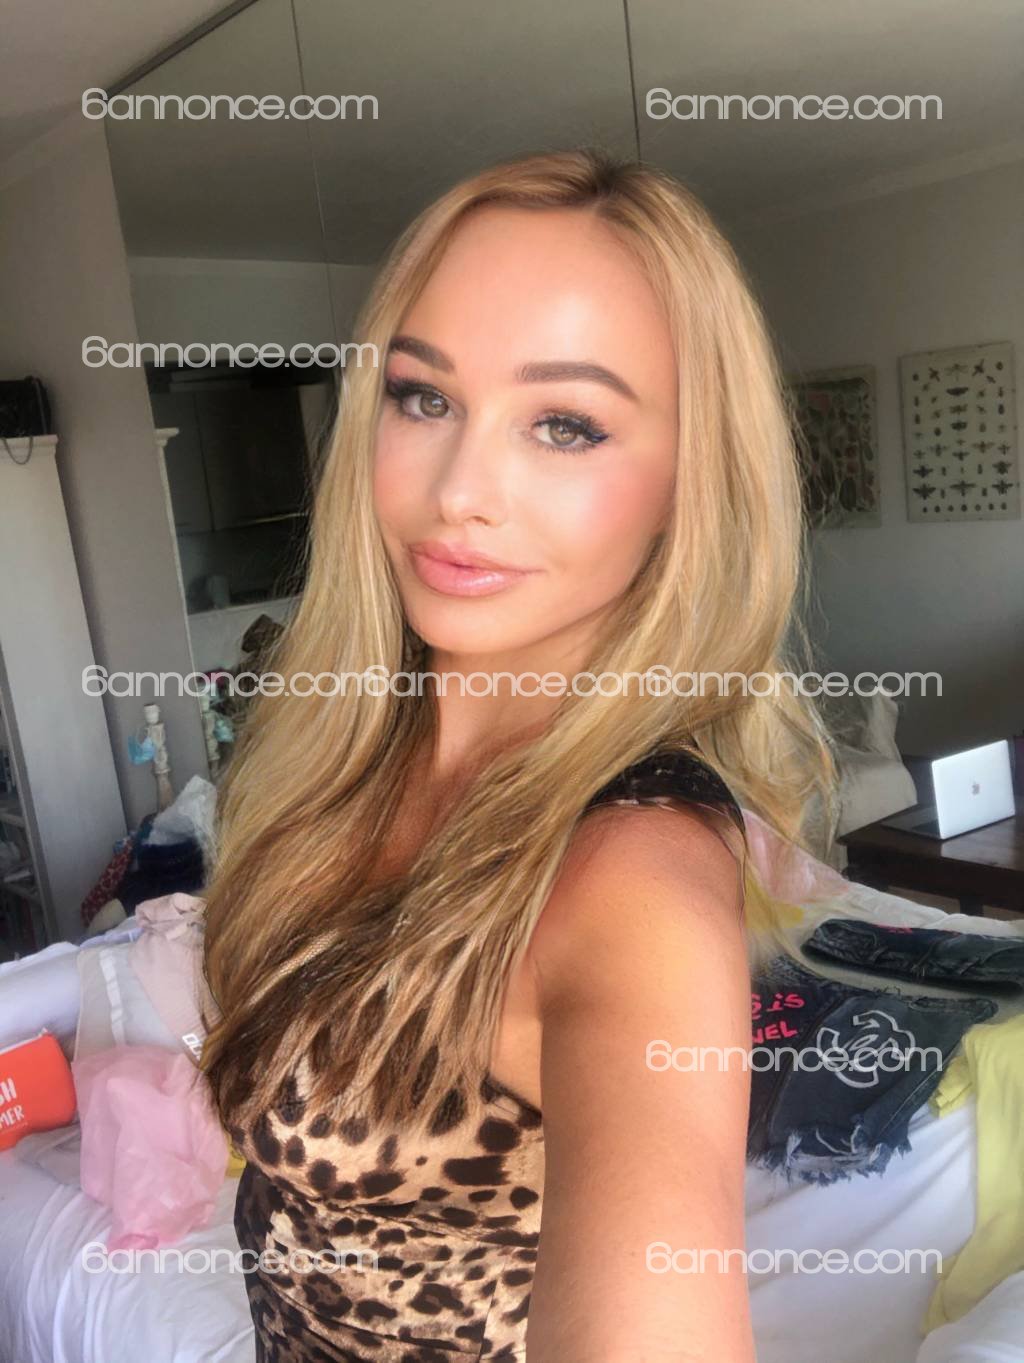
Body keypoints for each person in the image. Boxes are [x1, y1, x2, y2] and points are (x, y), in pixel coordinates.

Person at [199, 147, 836, 1362]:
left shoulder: (629, 873)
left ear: (687, 486)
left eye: (563, 424)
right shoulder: (343, 760)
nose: (459, 490)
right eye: (423, 397)